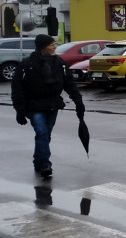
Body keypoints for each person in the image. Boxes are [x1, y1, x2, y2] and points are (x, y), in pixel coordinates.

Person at [11, 33, 86, 178]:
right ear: (43, 48)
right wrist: (19, 110)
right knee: (42, 133)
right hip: (33, 105)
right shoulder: (27, 65)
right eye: (51, 44)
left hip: (52, 105)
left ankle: (38, 160)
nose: (54, 47)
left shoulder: (59, 63)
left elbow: (69, 84)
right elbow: (17, 88)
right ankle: (45, 163)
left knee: (46, 134)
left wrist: (78, 102)